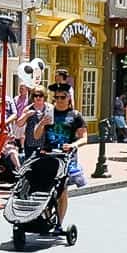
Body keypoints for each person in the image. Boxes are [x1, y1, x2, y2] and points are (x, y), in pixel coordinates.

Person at [43, 81, 88, 232]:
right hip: (48, 155)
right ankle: (46, 216)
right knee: (44, 188)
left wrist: (73, 145)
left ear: (69, 98)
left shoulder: (75, 116)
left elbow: (84, 138)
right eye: (56, 97)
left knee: (62, 190)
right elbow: (37, 134)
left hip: (66, 157)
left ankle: (59, 223)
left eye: (63, 97)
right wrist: (42, 123)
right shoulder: (48, 113)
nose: (59, 100)